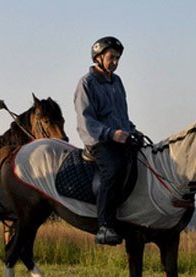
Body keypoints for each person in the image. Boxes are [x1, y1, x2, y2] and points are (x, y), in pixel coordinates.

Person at [74, 36, 137, 245]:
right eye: (112, 57)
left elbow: (121, 115)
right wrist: (111, 134)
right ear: (99, 57)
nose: (116, 62)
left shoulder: (117, 82)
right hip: (99, 140)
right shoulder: (86, 83)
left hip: (119, 135)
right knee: (114, 170)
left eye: (118, 58)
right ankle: (104, 226)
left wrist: (132, 130)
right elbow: (86, 120)